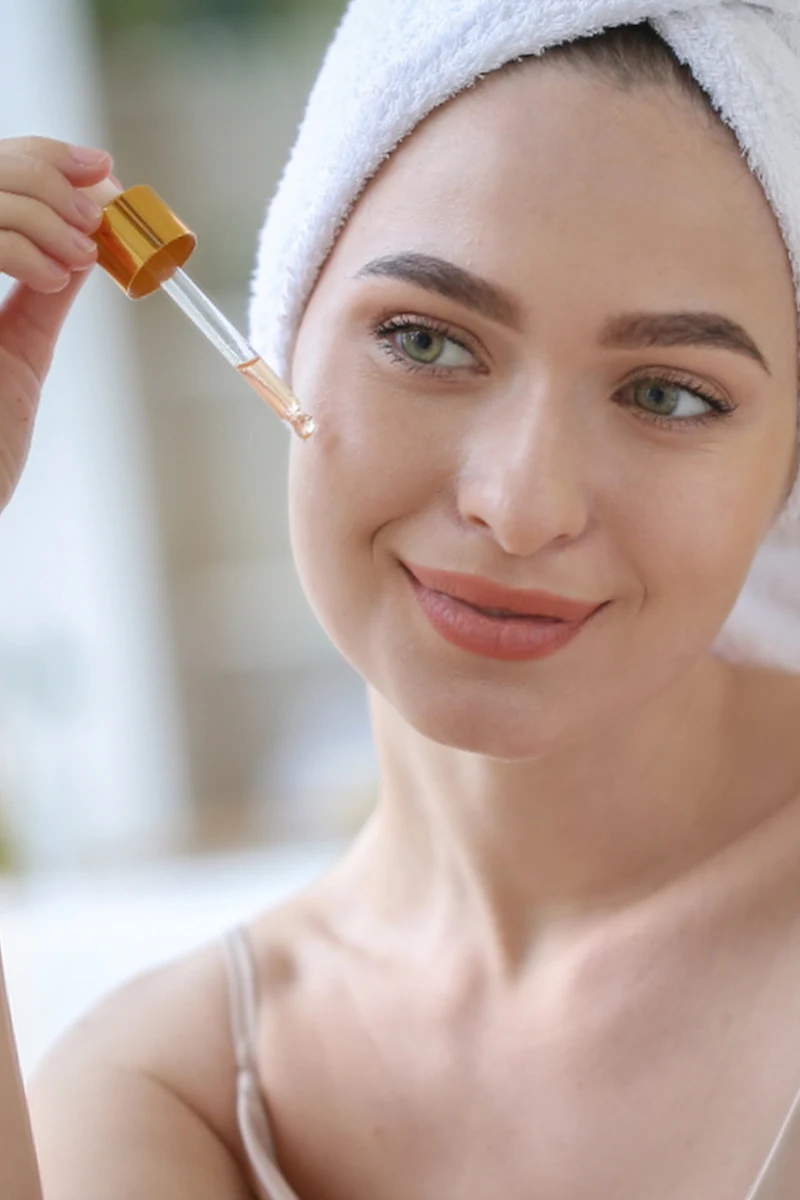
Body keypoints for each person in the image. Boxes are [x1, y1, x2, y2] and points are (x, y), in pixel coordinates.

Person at [3, 9, 800, 1198]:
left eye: (670, 396)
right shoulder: (175, 1086)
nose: (520, 506)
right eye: (425, 340)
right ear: (279, 340)